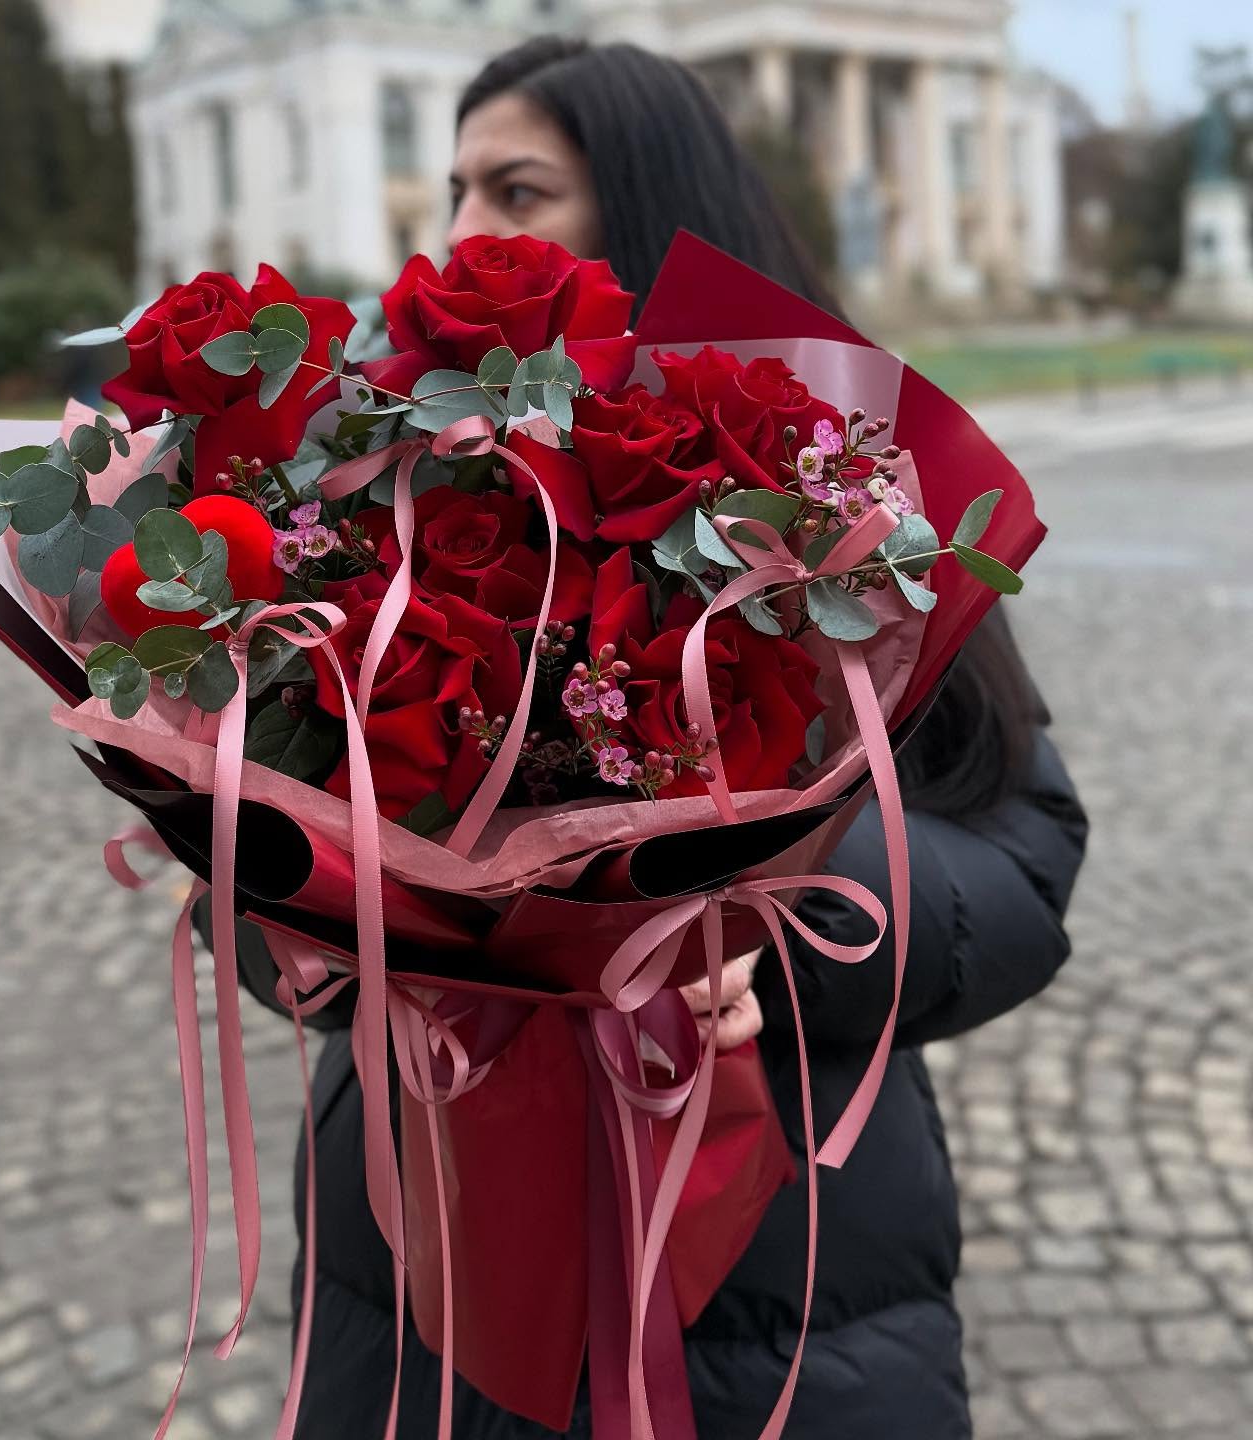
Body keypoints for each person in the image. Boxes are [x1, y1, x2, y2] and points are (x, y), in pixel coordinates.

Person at [227, 37, 1088, 1439]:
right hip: (425, 1238)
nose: (462, 236)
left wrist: (775, 908)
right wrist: (332, 942)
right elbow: (245, 859)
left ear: (643, 211)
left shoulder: (837, 497)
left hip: (786, 1258)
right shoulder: (359, 498)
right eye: (454, 191)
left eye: (518, 191)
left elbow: (1026, 855)